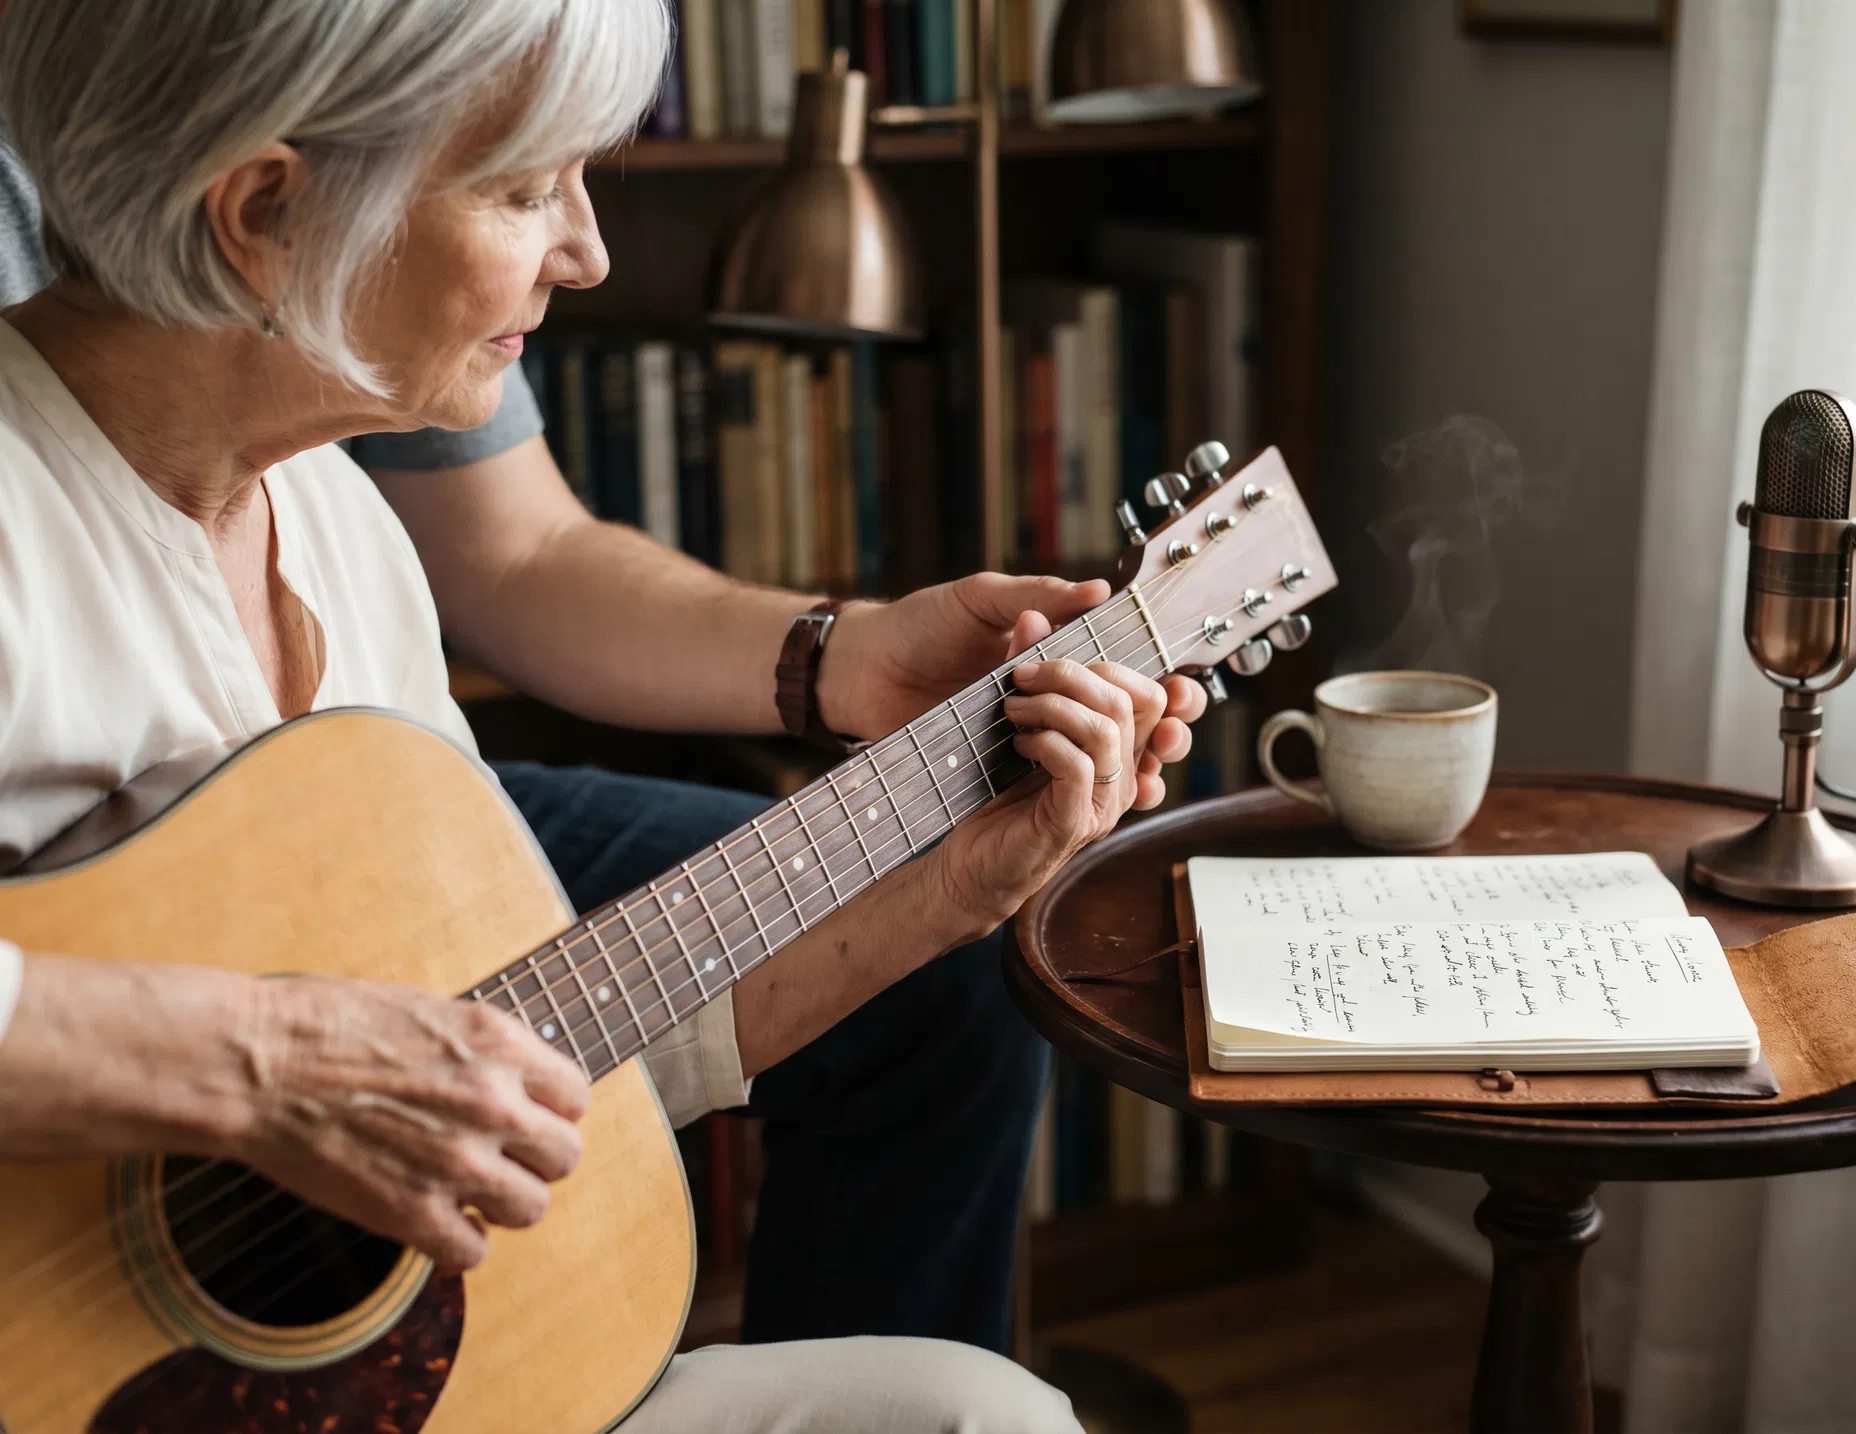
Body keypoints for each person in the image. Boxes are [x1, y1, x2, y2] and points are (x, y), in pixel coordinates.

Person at [0, 1, 1208, 1429]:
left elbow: (551, 1034)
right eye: (523, 189)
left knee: (984, 1412)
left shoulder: (335, 525)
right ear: (266, 210)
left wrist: (950, 886)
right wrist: (269, 1066)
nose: (588, 251)